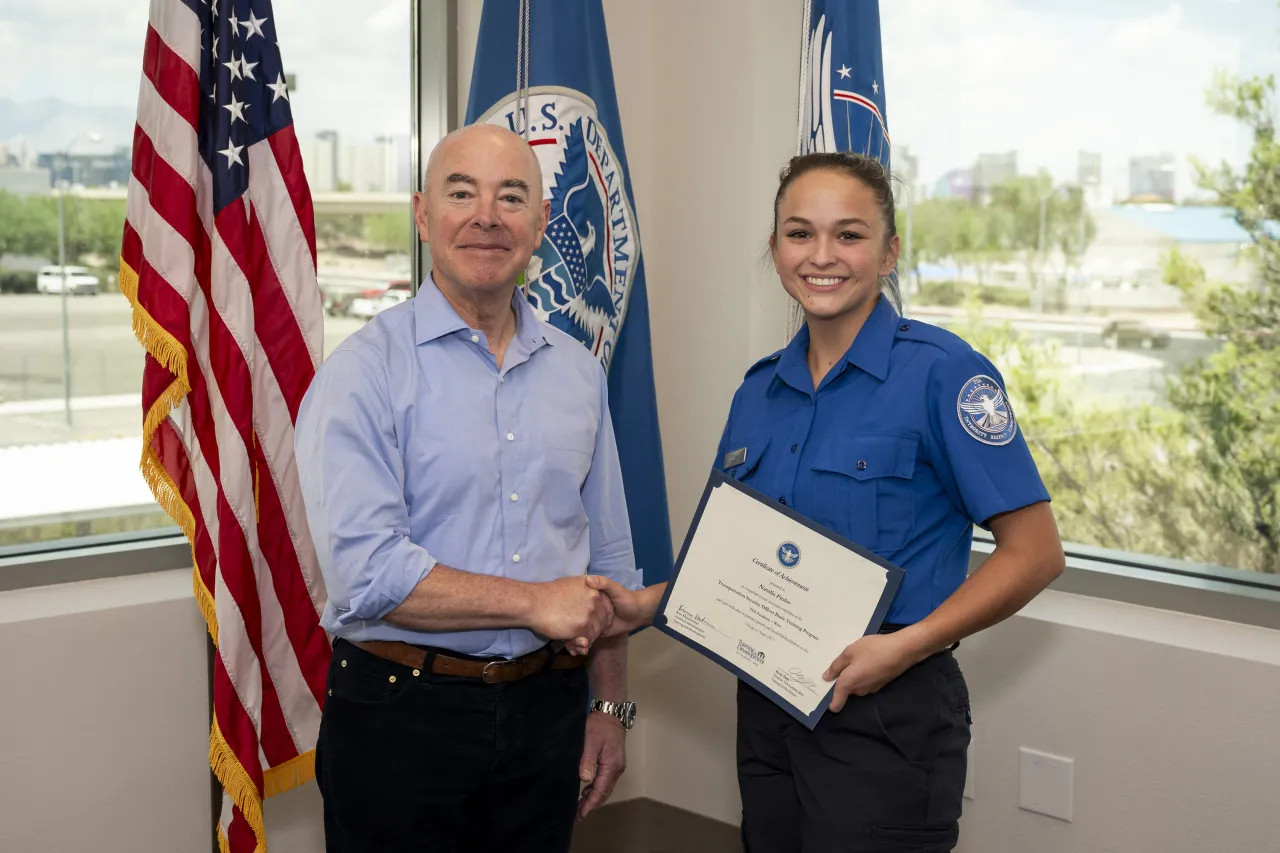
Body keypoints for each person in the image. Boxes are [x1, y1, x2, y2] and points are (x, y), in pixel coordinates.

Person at [587, 151, 1066, 852]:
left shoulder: (942, 372)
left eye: (849, 234)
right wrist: (645, 603)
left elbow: (1036, 552)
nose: (822, 255)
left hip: (888, 712)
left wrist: (904, 646)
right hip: (769, 705)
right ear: (776, 247)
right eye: (799, 233)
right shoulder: (758, 392)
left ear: (890, 250)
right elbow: (741, 565)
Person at [295, 123, 641, 853]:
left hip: (549, 713)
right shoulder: (363, 373)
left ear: (542, 224)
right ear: (423, 216)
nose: (487, 215)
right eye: (462, 193)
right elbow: (368, 574)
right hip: (400, 718)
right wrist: (535, 601)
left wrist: (608, 704)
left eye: (511, 196)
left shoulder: (579, 373)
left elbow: (607, 565)